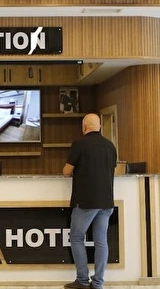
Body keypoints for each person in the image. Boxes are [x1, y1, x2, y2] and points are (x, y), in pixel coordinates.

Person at [62, 113, 117, 289]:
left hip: (86, 201)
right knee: (101, 242)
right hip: (106, 201)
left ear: (84, 127)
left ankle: (83, 280)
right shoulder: (110, 146)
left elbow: (66, 171)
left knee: (77, 238)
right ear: (99, 126)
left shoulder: (79, 144)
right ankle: (98, 283)